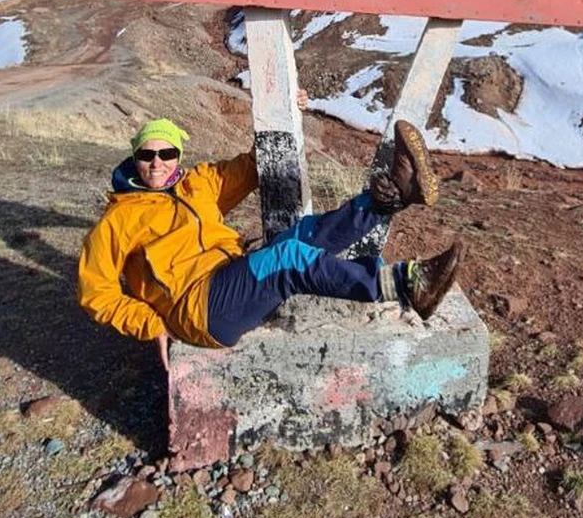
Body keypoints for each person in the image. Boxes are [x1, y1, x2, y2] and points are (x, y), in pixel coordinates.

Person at [77, 117, 461, 353]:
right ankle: (405, 285)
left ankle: (391, 196)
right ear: (134, 158)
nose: (156, 163)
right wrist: (152, 324)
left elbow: (252, 166)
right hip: (200, 311)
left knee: (304, 234)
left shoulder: (199, 184)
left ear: (179, 155)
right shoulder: (118, 219)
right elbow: (97, 294)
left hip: (230, 276)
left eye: (167, 153)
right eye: (147, 155)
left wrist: (290, 107)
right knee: (288, 259)